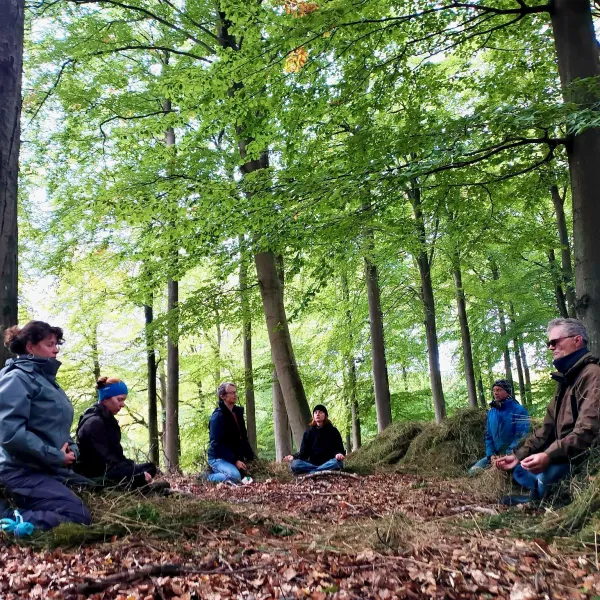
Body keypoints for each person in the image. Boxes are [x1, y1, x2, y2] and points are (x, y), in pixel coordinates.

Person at [496, 318, 600, 505]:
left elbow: (587, 431)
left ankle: (545, 496)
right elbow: (546, 429)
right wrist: (517, 455)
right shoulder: (565, 381)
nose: (550, 347)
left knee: (545, 474)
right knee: (520, 468)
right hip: (564, 452)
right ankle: (542, 488)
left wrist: (548, 456)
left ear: (577, 341)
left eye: (555, 342)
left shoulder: (593, 375)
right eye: (548, 343)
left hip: (583, 457)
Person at [0, 321, 92, 530]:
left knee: (98, 487)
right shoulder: (16, 379)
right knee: (77, 515)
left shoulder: (47, 382)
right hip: (19, 471)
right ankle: (11, 516)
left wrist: (71, 449)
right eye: (50, 344)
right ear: (30, 347)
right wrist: (56, 455)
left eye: (57, 344)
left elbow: (58, 427)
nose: (56, 349)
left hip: (46, 467)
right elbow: (10, 433)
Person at [75, 377, 158, 489]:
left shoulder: (107, 419)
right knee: (138, 474)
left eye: (123, 400)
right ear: (105, 399)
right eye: (119, 400)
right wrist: (133, 472)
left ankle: (138, 483)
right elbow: (106, 462)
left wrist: (131, 466)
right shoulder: (94, 423)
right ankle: (138, 485)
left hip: (109, 468)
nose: (122, 404)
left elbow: (116, 456)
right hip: (96, 475)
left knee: (150, 467)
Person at [467, 379, 530, 476]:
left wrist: (508, 454)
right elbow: (488, 436)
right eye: (494, 390)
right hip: (495, 456)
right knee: (472, 473)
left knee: (513, 476)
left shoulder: (519, 410)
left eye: (499, 390)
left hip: (514, 455)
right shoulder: (491, 412)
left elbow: (521, 436)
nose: (496, 393)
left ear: (507, 391)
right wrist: (491, 455)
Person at [205, 382, 256, 483]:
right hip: (217, 458)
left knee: (246, 475)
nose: (235, 395)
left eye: (235, 392)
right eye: (232, 393)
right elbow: (216, 445)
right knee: (234, 476)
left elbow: (243, 439)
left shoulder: (238, 413)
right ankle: (207, 477)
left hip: (233, 457)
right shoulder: (217, 417)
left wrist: (252, 458)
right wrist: (235, 461)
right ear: (222, 396)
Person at [283, 405, 345, 474]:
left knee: (338, 462)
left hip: (329, 462)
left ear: (325, 415)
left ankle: (313, 472)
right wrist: (293, 456)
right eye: (315, 412)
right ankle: (320, 471)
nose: (317, 414)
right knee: (294, 464)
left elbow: (340, 449)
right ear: (313, 416)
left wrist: (338, 454)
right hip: (312, 464)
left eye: (320, 412)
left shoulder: (333, 431)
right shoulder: (308, 433)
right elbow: (304, 453)